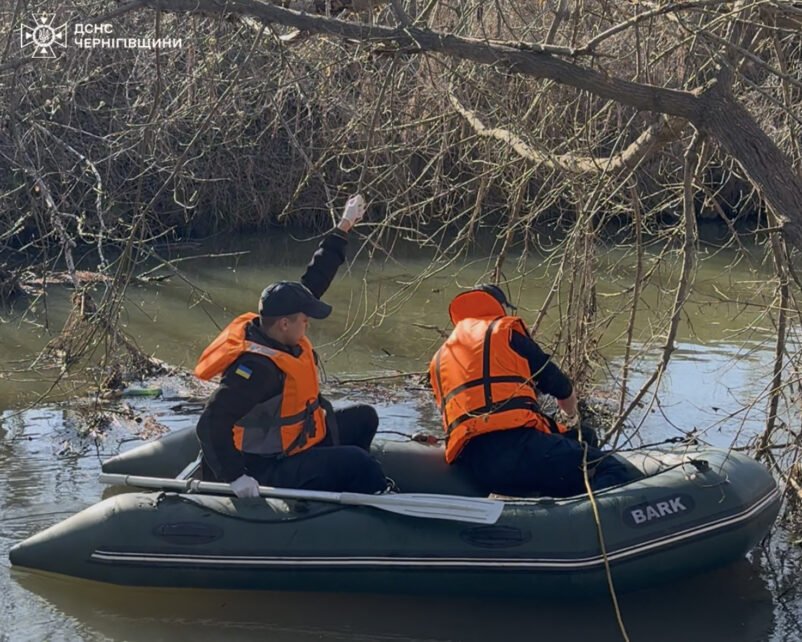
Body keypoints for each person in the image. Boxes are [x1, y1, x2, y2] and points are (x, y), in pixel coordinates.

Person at [194, 194, 388, 498]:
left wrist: (345, 224)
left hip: (298, 441)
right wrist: (235, 477)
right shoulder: (256, 368)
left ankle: (337, 491)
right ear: (285, 323)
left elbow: (315, 277)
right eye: (304, 320)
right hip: (267, 466)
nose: (308, 323)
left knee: (365, 416)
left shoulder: (277, 328)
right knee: (359, 463)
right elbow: (210, 423)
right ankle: (369, 508)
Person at [428, 284, 639, 498]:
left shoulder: (440, 358)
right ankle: (586, 525)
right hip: (516, 447)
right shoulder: (502, 331)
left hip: (472, 462)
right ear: (499, 306)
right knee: (609, 468)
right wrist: (569, 407)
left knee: (584, 436)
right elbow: (555, 381)